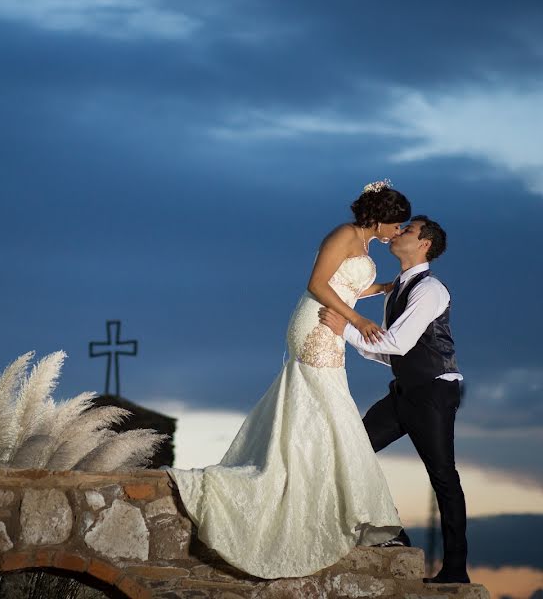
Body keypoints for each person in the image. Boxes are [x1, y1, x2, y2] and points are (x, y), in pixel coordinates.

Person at [167, 180, 408, 578]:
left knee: (323, 406)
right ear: (381, 219)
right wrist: (356, 319)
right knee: (329, 403)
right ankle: (308, 491)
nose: (398, 232)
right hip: (314, 325)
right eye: (397, 225)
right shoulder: (344, 234)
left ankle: (316, 489)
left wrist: (381, 289)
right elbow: (316, 283)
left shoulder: (363, 244)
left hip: (332, 323)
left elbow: (347, 286)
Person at [318, 215, 469, 584]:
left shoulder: (430, 289)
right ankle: (389, 532)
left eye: (409, 230)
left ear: (424, 244)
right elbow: (390, 352)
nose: (398, 232)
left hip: (433, 392)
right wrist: (351, 336)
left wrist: (347, 330)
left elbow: (397, 342)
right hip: (402, 393)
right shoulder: (398, 288)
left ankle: (455, 571)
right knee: (354, 450)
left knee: (443, 477)